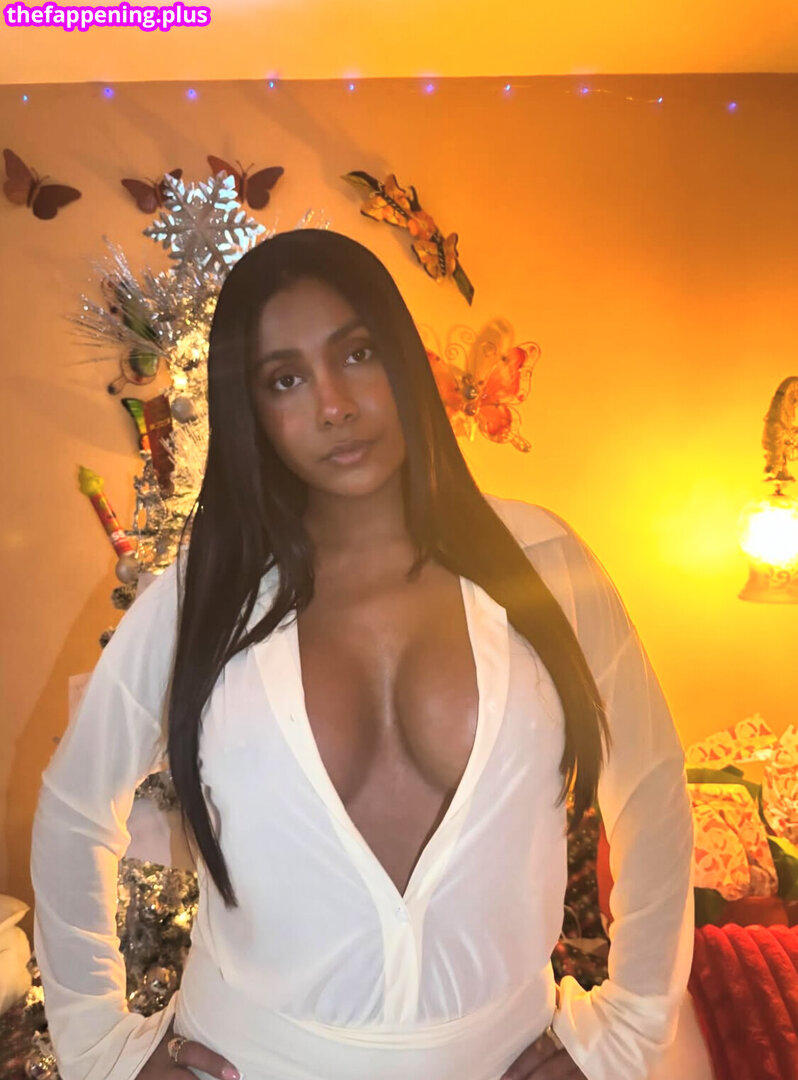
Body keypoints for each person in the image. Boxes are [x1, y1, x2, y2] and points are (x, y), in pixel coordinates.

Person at [30, 228, 695, 1080]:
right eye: (286, 378)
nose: (335, 405)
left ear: (403, 361)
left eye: (357, 353)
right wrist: (101, 1051)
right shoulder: (205, 597)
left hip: (503, 1057)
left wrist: (626, 1033)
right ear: (253, 409)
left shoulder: (543, 565)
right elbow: (75, 807)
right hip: (251, 1056)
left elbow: (651, 790)